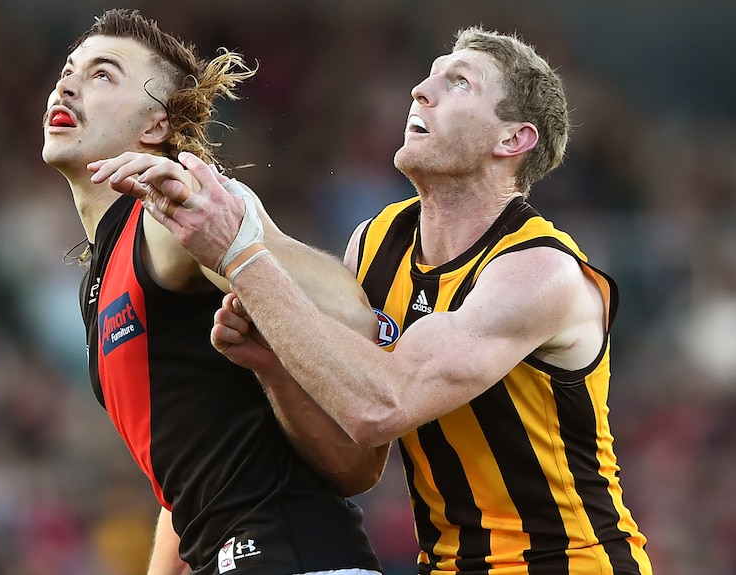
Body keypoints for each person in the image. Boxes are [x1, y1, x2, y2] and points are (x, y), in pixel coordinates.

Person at [118, 26, 655, 575]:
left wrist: (239, 257)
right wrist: (274, 367)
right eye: (430, 75)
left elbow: (382, 407)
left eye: (459, 83)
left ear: (514, 140)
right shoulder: (375, 244)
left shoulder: (540, 271)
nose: (421, 90)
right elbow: (356, 465)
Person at [41, 8, 389, 575]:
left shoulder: (179, 213)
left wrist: (233, 234)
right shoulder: (100, 277)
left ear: (155, 126)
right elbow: (185, 486)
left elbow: (354, 315)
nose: (68, 83)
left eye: (103, 74)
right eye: (69, 69)